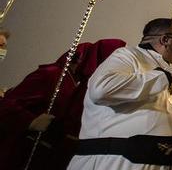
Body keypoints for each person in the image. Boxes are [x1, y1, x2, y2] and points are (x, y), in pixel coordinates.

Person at [68, 19, 172, 169]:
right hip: (115, 163)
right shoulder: (129, 56)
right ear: (165, 39)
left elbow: (160, 119)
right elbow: (101, 89)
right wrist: (162, 77)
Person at [0, 39, 125, 169]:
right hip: (22, 153)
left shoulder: (82, 86)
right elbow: (7, 105)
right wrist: (31, 121)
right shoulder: (52, 74)